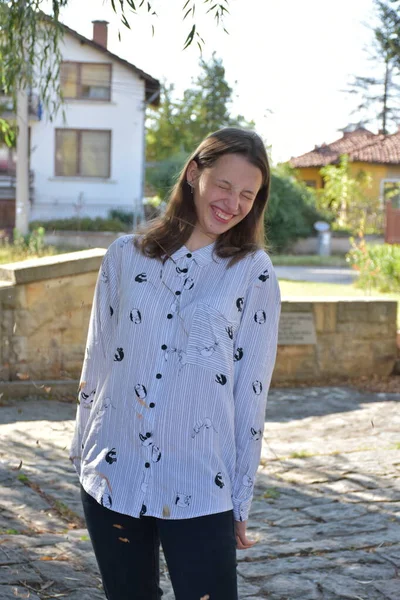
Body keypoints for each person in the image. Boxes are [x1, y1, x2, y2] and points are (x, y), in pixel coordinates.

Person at [70, 127, 281, 600]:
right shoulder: (124, 256)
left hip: (203, 485)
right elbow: (98, 357)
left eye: (248, 194)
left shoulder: (253, 271)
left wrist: (241, 496)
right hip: (113, 476)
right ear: (193, 174)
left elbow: (251, 393)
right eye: (224, 185)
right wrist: (81, 452)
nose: (234, 202)